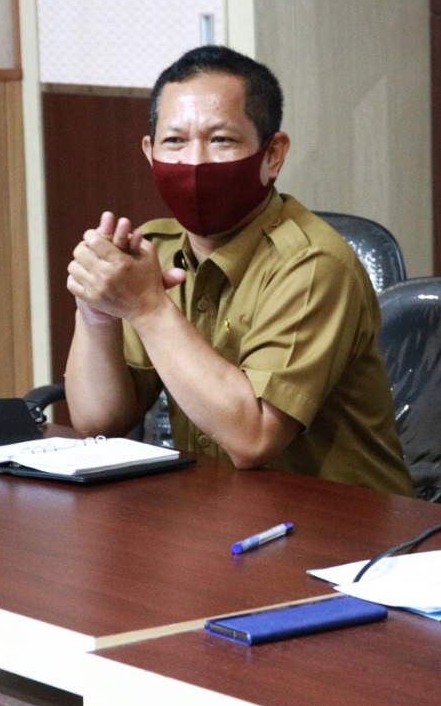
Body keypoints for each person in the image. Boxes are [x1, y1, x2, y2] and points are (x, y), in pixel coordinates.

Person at [64, 45, 413, 497]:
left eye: (221, 140)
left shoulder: (312, 264)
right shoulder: (156, 249)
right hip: (220, 515)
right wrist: (98, 312)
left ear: (273, 155)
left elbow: (254, 437)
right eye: (175, 141)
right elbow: (99, 422)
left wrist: (148, 308)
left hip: (343, 536)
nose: (194, 162)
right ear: (150, 154)